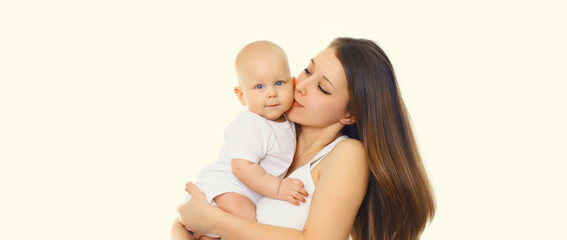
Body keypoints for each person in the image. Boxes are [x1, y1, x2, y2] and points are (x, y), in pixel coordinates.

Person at [175, 37, 436, 240]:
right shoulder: (273, 132)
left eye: (322, 88)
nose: (300, 86)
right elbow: (196, 210)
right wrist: (190, 222)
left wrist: (214, 221)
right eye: (307, 71)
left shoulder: (346, 154)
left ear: (350, 113)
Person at [171, 41, 308, 240]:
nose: (272, 93)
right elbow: (241, 168)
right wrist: (278, 188)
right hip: (226, 186)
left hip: (243, 192)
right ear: (241, 96)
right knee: (246, 221)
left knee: (218, 233)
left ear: (292, 83)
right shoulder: (251, 123)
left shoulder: (290, 122)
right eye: (259, 86)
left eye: (279, 83)